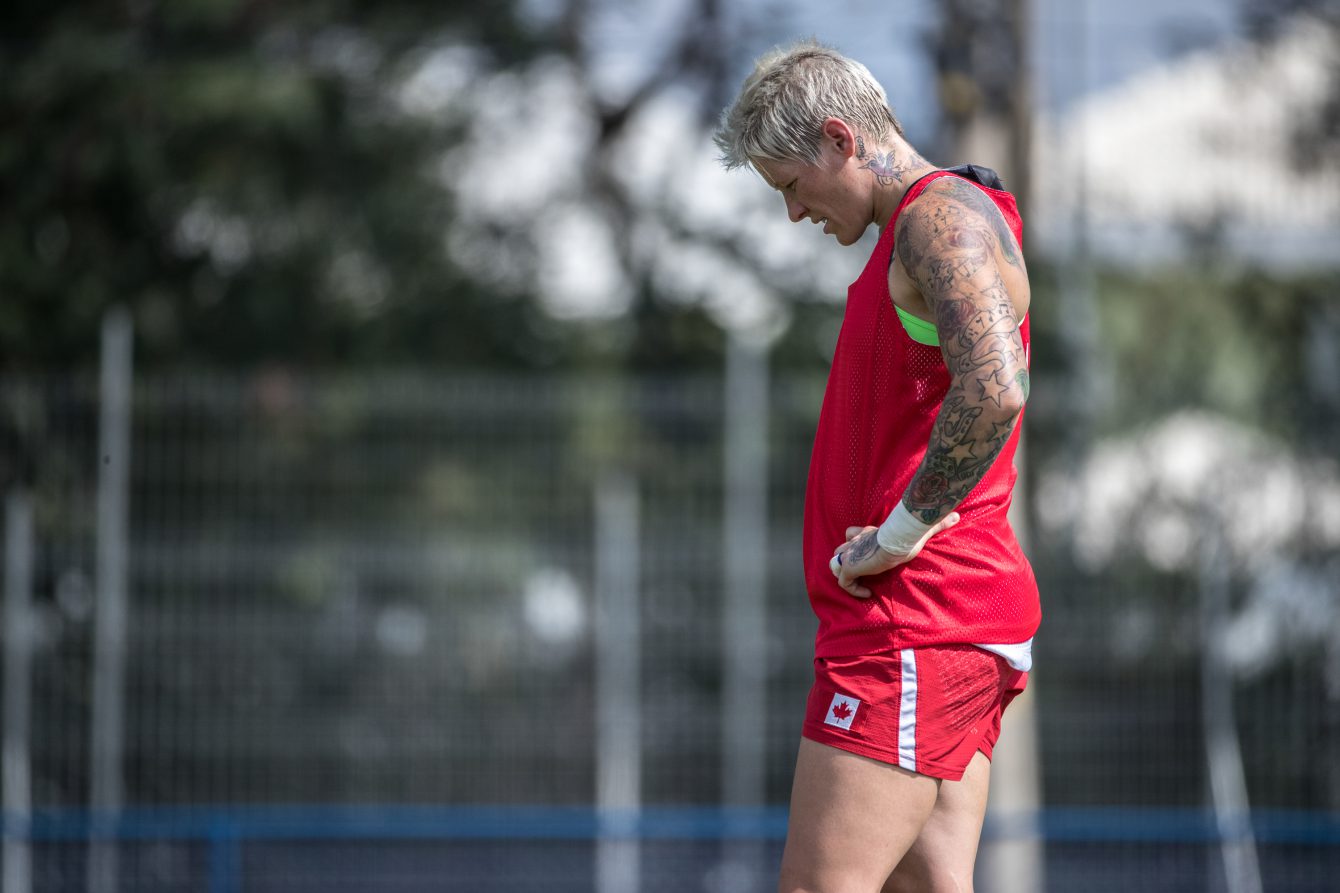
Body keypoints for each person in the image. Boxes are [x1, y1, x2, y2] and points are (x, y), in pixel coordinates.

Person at [715, 41, 1041, 892]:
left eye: (792, 185)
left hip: (912, 623)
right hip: (925, 625)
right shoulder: (920, 227)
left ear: (839, 138)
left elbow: (996, 388)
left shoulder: (940, 219)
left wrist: (897, 534)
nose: (794, 212)